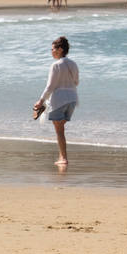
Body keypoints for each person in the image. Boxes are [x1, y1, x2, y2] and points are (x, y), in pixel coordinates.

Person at [34, 36, 79, 166]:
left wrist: (40, 100)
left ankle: (63, 158)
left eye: (53, 49)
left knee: (59, 131)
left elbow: (50, 86)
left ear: (60, 49)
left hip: (59, 100)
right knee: (61, 128)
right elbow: (76, 82)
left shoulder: (56, 65)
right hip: (72, 99)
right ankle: (61, 156)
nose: (51, 51)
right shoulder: (73, 63)